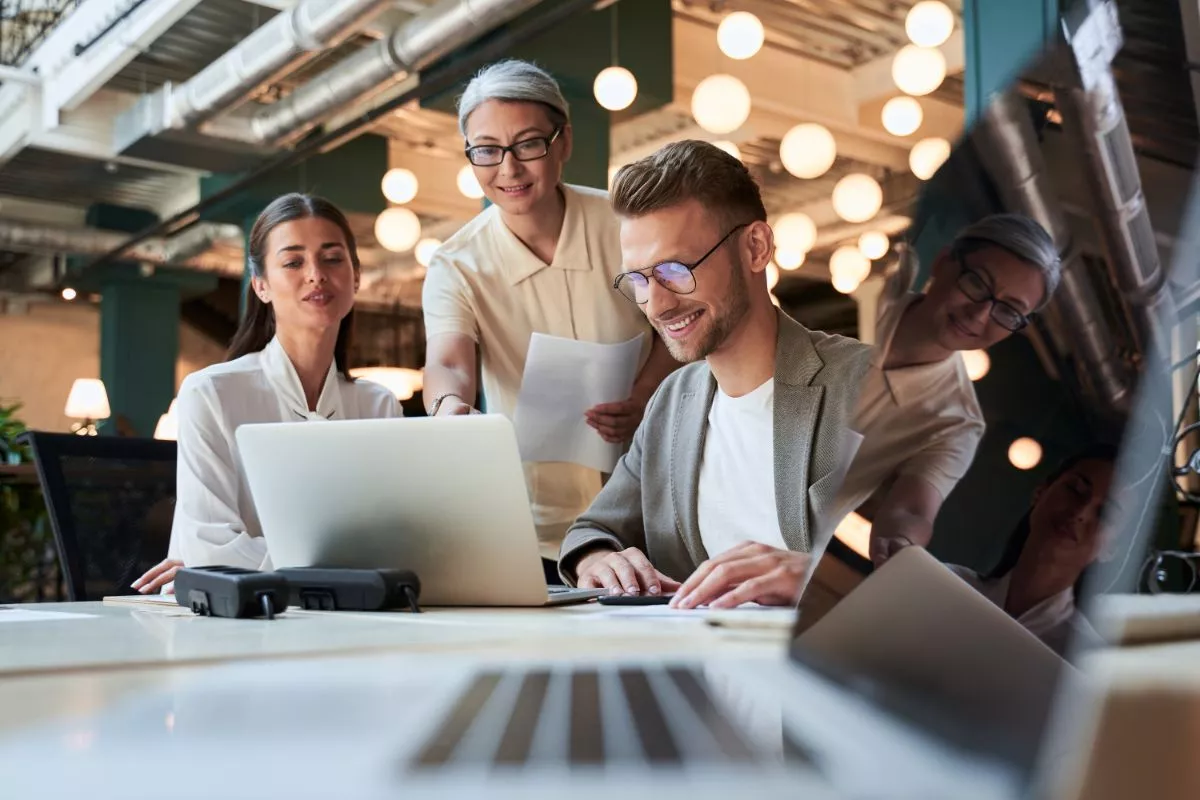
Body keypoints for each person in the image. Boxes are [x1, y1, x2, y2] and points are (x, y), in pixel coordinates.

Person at [557, 140, 873, 609]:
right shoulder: (672, 401)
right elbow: (593, 530)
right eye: (639, 280)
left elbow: (959, 576)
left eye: (674, 269)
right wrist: (598, 559)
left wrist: (820, 577)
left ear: (756, 247)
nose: (656, 304)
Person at [421, 59, 678, 578]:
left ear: (562, 143)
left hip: (652, 500)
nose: (509, 169)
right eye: (487, 151)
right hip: (532, 523)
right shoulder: (457, 264)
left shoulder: (624, 225)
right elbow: (448, 360)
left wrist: (645, 393)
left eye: (529, 144)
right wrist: (449, 408)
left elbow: (675, 322)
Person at [132, 193, 402, 593]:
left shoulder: (379, 405)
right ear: (261, 285)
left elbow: (396, 546)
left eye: (332, 258)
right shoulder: (210, 393)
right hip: (236, 623)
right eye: (293, 262)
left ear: (356, 276)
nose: (316, 274)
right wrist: (346, 567)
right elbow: (209, 548)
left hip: (347, 616)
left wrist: (256, 561)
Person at [836, 214, 1061, 567]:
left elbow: (912, 510)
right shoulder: (853, 293)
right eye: (976, 284)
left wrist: (902, 541)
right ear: (944, 262)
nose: (979, 315)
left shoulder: (956, 423)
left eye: (1008, 310)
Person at [946, 444, 1119, 656]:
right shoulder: (944, 587)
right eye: (1075, 490)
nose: (1081, 512)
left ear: (1114, 547)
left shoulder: (1088, 664)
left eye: (1105, 513)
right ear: (1041, 491)